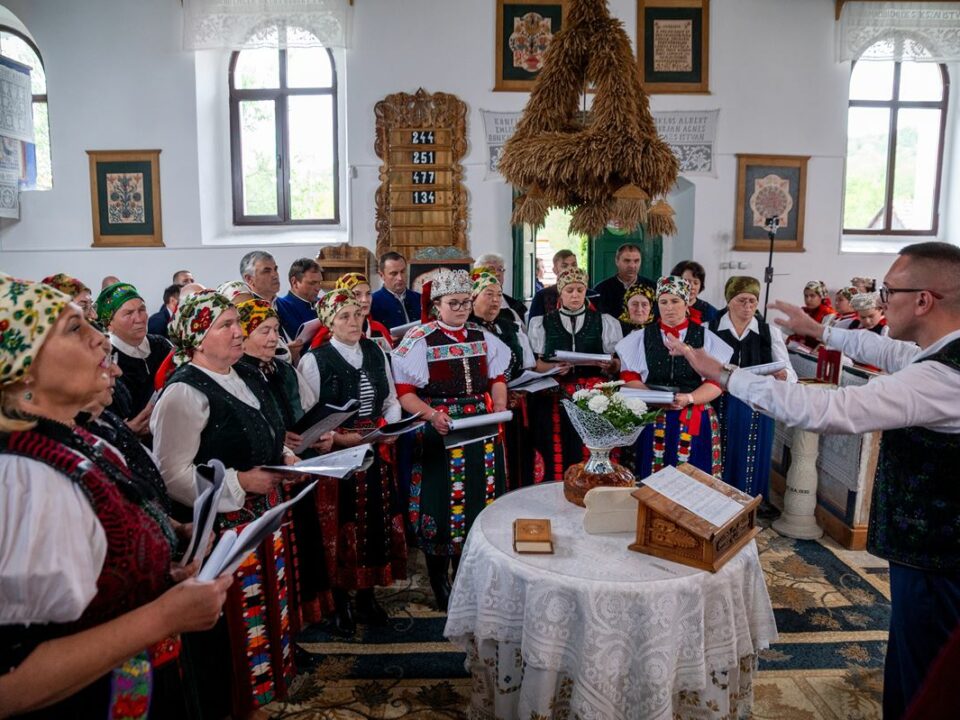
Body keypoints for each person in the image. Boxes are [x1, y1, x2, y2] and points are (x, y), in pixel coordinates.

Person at [669, 241, 960, 719]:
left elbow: (828, 409)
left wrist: (723, 374)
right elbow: (886, 348)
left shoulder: (941, 378)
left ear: (925, 299)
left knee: (927, 675)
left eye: (890, 291)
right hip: (932, 552)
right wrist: (821, 330)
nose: (883, 301)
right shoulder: (940, 354)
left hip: (937, 557)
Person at [0, 273, 229, 718]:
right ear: (20, 365)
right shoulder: (21, 477)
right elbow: (11, 681)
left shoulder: (76, 440)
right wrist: (164, 616)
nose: (101, 341)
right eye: (73, 328)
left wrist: (165, 565)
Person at [151, 290, 299, 720]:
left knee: (269, 608)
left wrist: (286, 457)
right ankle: (236, 701)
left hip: (262, 514)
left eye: (238, 323)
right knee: (237, 623)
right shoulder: (183, 392)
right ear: (197, 337)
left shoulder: (243, 375)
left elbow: (271, 432)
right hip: (226, 528)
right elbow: (171, 475)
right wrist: (239, 482)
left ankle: (269, 684)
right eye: (226, 326)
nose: (239, 334)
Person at [391, 269, 511, 611]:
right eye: (453, 303)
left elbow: (497, 377)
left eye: (465, 302)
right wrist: (433, 416)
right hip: (440, 428)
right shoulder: (420, 338)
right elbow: (405, 394)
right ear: (436, 305)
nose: (461, 309)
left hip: (482, 427)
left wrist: (499, 405)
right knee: (441, 502)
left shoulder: (480, 335)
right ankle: (438, 580)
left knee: (478, 497)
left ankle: (465, 574)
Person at [299, 291, 408, 633]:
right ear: (329, 322)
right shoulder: (315, 360)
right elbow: (309, 417)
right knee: (339, 526)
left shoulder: (375, 351)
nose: (352, 322)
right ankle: (339, 600)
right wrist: (343, 439)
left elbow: (389, 398)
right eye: (343, 316)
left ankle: (366, 594)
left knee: (373, 523)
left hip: (374, 451)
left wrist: (389, 426)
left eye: (356, 314)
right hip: (335, 458)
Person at [617, 276, 732, 478]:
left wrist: (689, 398)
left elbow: (717, 381)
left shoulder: (706, 337)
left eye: (675, 301)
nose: (669, 307)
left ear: (687, 303)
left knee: (694, 479)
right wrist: (655, 398)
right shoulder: (640, 337)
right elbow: (630, 378)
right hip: (653, 416)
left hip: (694, 415)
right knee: (652, 479)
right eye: (663, 302)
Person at [708, 276, 796, 514]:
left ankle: (754, 500)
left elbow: (789, 371)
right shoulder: (711, 329)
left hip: (757, 402)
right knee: (723, 449)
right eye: (741, 300)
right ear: (729, 301)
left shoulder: (769, 332)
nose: (747, 307)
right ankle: (720, 499)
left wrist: (782, 375)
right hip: (721, 400)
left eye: (752, 301)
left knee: (754, 451)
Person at [528, 267, 622, 483]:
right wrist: (552, 368)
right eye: (570, 290)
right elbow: (534, 365)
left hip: (594, 395)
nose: (575, 295)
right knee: (557, 446)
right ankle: (557, 486)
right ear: (560, 293)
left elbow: (616, 364)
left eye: (580, 290)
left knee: (590, 445)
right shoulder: (542, 323)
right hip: (555, 391)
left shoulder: (604, 321)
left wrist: (609, 367)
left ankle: (592, 487)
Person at [468, 269, 537, 490]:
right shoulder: (468, 329)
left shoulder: (509, 326)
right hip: (486, 407)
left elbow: (527, 364)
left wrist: (522, 388)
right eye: (489, 294)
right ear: (473, 298)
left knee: (517, 455)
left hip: (515, 404)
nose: (496, 300)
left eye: (499, 294)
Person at [235, 298, 317, 440]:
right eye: (265, 331)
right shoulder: (234, 375)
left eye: (275, 329)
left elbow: (311, 409)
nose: (274, 338)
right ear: (244, 336)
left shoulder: (285, 370)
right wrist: (279, 440)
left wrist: (321, 434)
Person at [97, 281, 171, 434]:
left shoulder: (161, 345)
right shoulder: (105, 357)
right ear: (109, 323)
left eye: (142, 310)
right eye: (128, 313)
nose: (139, 318)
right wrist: (127, 430)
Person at [310, 272, 393, 353]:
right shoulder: (325, 336)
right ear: (343, 298)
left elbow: (391, 361)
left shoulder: (379, 328)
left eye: (368, 293)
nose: (365, 300)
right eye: (357, 294)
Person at [594, 243, 655, 318]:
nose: (632, 266)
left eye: (636, 261)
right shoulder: (602, 289)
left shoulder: (652, 287)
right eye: (627, 261)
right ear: (617, 261)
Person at [275, 257, 324, 341]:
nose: (318, 288)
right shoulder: (281, 306)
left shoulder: (323, 303)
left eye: (319, 282)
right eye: (312, 283)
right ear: (294, 282)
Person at [370, 251, 421, 329]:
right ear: (381, 275)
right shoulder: (372, 302)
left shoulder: (420, 299)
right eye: (394, 273)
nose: (400, 278)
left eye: (403, 272)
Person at [527, 249, 579, 321]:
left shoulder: (589, 295)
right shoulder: (541, 297)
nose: (570, 269)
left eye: (574, 265)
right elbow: (534, 328)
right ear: (555, 270)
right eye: (564, 266)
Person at [475, 252, 528, 322]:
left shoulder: (516, 306)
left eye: (500, 269)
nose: (497, 273)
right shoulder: (467, 305)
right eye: (491, 269)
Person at [787, 280, 836, 348]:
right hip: (798, 350)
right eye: (806, 296)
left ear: (821, 297)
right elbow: (786, 330)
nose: (808, 299)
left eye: (812, 296)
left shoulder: (829, 314)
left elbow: (823, 339)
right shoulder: (803, 311)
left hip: (814, 354)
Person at [670, 260, 719, 325]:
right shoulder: (665, 307)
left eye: (696, 283)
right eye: (687, 282)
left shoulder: (710, 312)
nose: (692, 287)